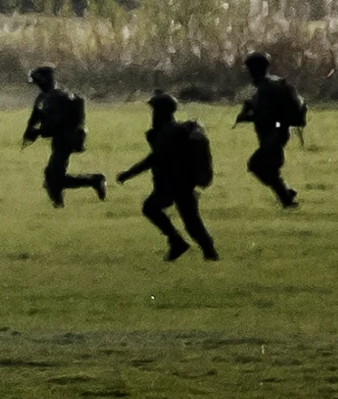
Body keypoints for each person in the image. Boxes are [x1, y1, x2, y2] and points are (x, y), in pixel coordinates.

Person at [112, 93, 219, 262]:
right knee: (191, 222)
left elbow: (154, 158)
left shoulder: (168, 132)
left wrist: (129, 173)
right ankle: (205, 251)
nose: (152, 114)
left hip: (174, 184)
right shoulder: (170, 130)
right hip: (180, 183)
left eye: (154, 110)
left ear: (162, 112)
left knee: (153, 209)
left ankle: (181, 243)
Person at [20, 66, 105, 206]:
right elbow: (37, 116)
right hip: (61, 140)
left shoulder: (57, 97)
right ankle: (88, 184)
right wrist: (30, 131)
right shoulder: (46, 96)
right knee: (52, 176)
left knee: (52, 177)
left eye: (37, 82)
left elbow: (56, 123)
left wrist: (38, 132)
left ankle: (92, 182)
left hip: (66, 140)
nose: (36, 85)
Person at [235, 52, 309, 209]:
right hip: (276, 130)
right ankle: (286, 196)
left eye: (250, 68)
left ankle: (286, 196)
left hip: (274, 131)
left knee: (256, 164)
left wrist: (246, 116)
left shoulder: (266, 88)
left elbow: (265, 116)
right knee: (268, 167)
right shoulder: (273, 84)